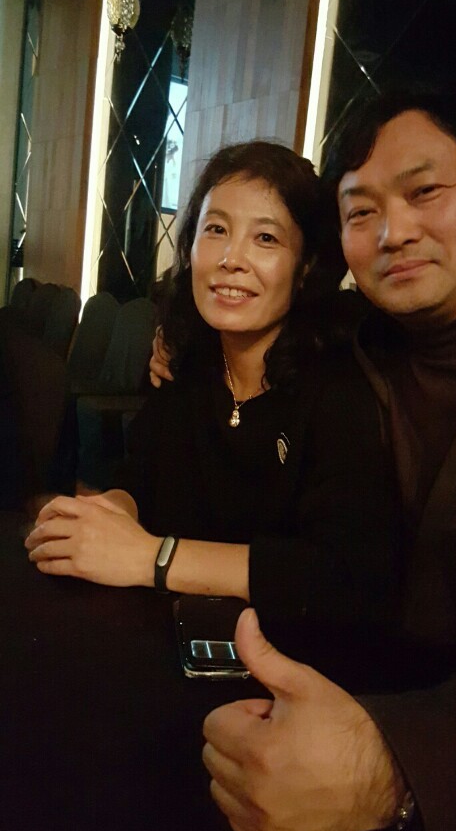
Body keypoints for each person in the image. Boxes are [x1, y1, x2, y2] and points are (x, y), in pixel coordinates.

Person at [200, 92, 456, 831]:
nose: (394, 232)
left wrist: (394, 770)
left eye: (425, 192)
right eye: (361, 211)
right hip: (289, 731)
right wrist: (177, 345)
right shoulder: (345, 346)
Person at [25, 140, 400, 683]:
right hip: (165, 647)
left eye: (265, 238)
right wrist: (108, 513)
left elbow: (342, 576)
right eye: (216, 229)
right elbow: (141, 476)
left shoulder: (338, 389)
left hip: (288, 676)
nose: (231, 259)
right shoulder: (187, 365)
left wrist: (152, 557)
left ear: (306, 268)